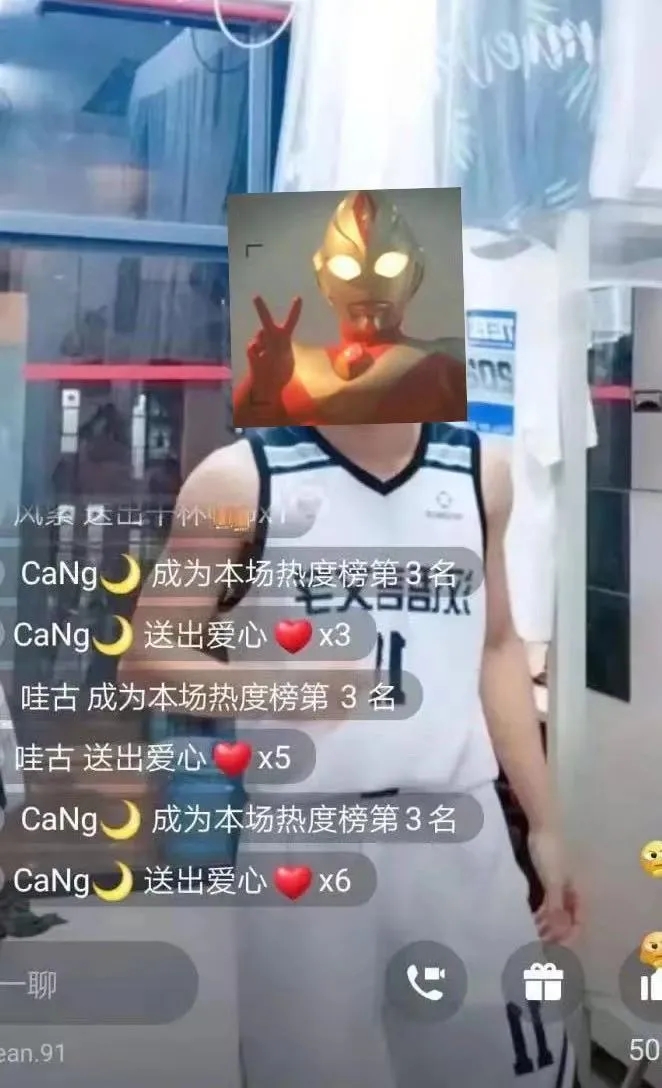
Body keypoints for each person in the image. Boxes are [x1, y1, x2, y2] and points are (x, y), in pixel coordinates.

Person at [124, 419, 580, 1088]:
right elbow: (147, 659)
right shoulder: (239, 479)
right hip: (305, 836)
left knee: (505, 1060)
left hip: (457, 823)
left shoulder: (481, 471)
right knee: (311, 1065)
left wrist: (545, 824)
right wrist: (285, 690)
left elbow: (497, 644)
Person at [232, 190, 467, 428]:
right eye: (346, 267)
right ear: (323, 278)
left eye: (390, 265)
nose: (369, 284)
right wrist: (263, 382)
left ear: (415, 274)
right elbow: (251, 427)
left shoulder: (445, 362)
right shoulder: (292, 363)